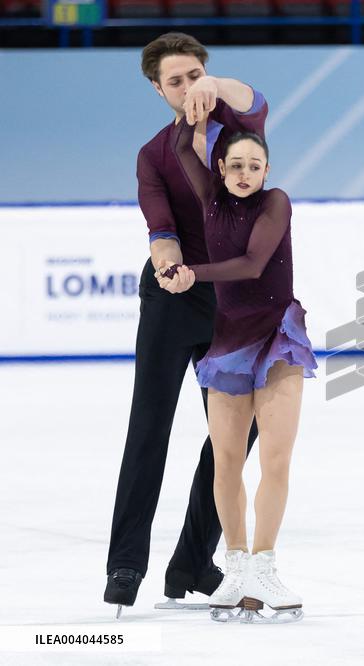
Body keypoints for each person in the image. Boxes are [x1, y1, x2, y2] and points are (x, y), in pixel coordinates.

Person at [104, 32, 268, 617]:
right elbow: (161, 227)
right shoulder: (153, 154)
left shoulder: (238, 129)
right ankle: (125, 567)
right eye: (175, 80)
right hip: (174, 296)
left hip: (232, 298)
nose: (187, 86)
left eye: (194, 73)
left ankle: (191, 563)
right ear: (157, 88)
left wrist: (214, 86)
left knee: (238, 431)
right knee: (149, 427)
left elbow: (255, 100)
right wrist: (171, 266)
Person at [160, 115, 317, 624]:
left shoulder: (276, 202)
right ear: (221, 169)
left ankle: (266, 566)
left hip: (277, 338)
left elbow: (252, 264)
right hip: (228, 342)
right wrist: (200, 106)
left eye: (256, 165)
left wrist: (191, 272)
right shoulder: (208, 199)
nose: (246, 173)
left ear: (266, 169)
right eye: (237, 166)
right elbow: (183, 145)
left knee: (274, 459)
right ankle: (236, 568)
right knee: (225, 461)